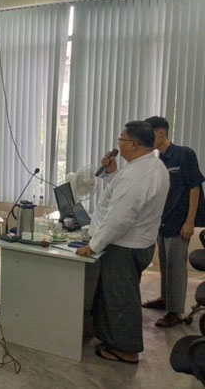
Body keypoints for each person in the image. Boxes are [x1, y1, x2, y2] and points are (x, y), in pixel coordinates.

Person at [76, 121, 169, 364]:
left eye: (121, 140)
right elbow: (123, 195)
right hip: (139, 242)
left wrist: (93, 246)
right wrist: (112, 173)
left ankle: (127, 350)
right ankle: (112, 338)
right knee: (115, 295)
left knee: (121, 299)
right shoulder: (151, 166)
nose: (118, 144)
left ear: (135, 144)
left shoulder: (138, 175)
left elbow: (120, 219)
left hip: (125, 247)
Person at [140, 116, 205, 327]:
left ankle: (175, 312)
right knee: (165, 264)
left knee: (176, 268)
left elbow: (194, 187)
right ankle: (165, 299)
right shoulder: (159, 159)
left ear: (161, 133)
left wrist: (190, 221)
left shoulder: (184, 154)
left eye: (150, 134)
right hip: (163, 220)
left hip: (179, 222)